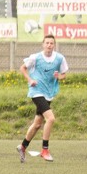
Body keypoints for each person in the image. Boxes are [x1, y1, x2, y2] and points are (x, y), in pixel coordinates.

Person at [16, 34, 68, 163]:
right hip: (36, 92)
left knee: (37, 124)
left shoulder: (59, 58)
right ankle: (45, 150)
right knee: (50, 118)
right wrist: (30, 79)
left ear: (54, 45)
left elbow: (64, 75)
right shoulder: (36, 57)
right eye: (47, 43)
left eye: (51, 43)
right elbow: (22, 68)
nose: (49, 45)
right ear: (43, 44)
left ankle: (22, 147)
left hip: (48, 93)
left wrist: (58, 77)